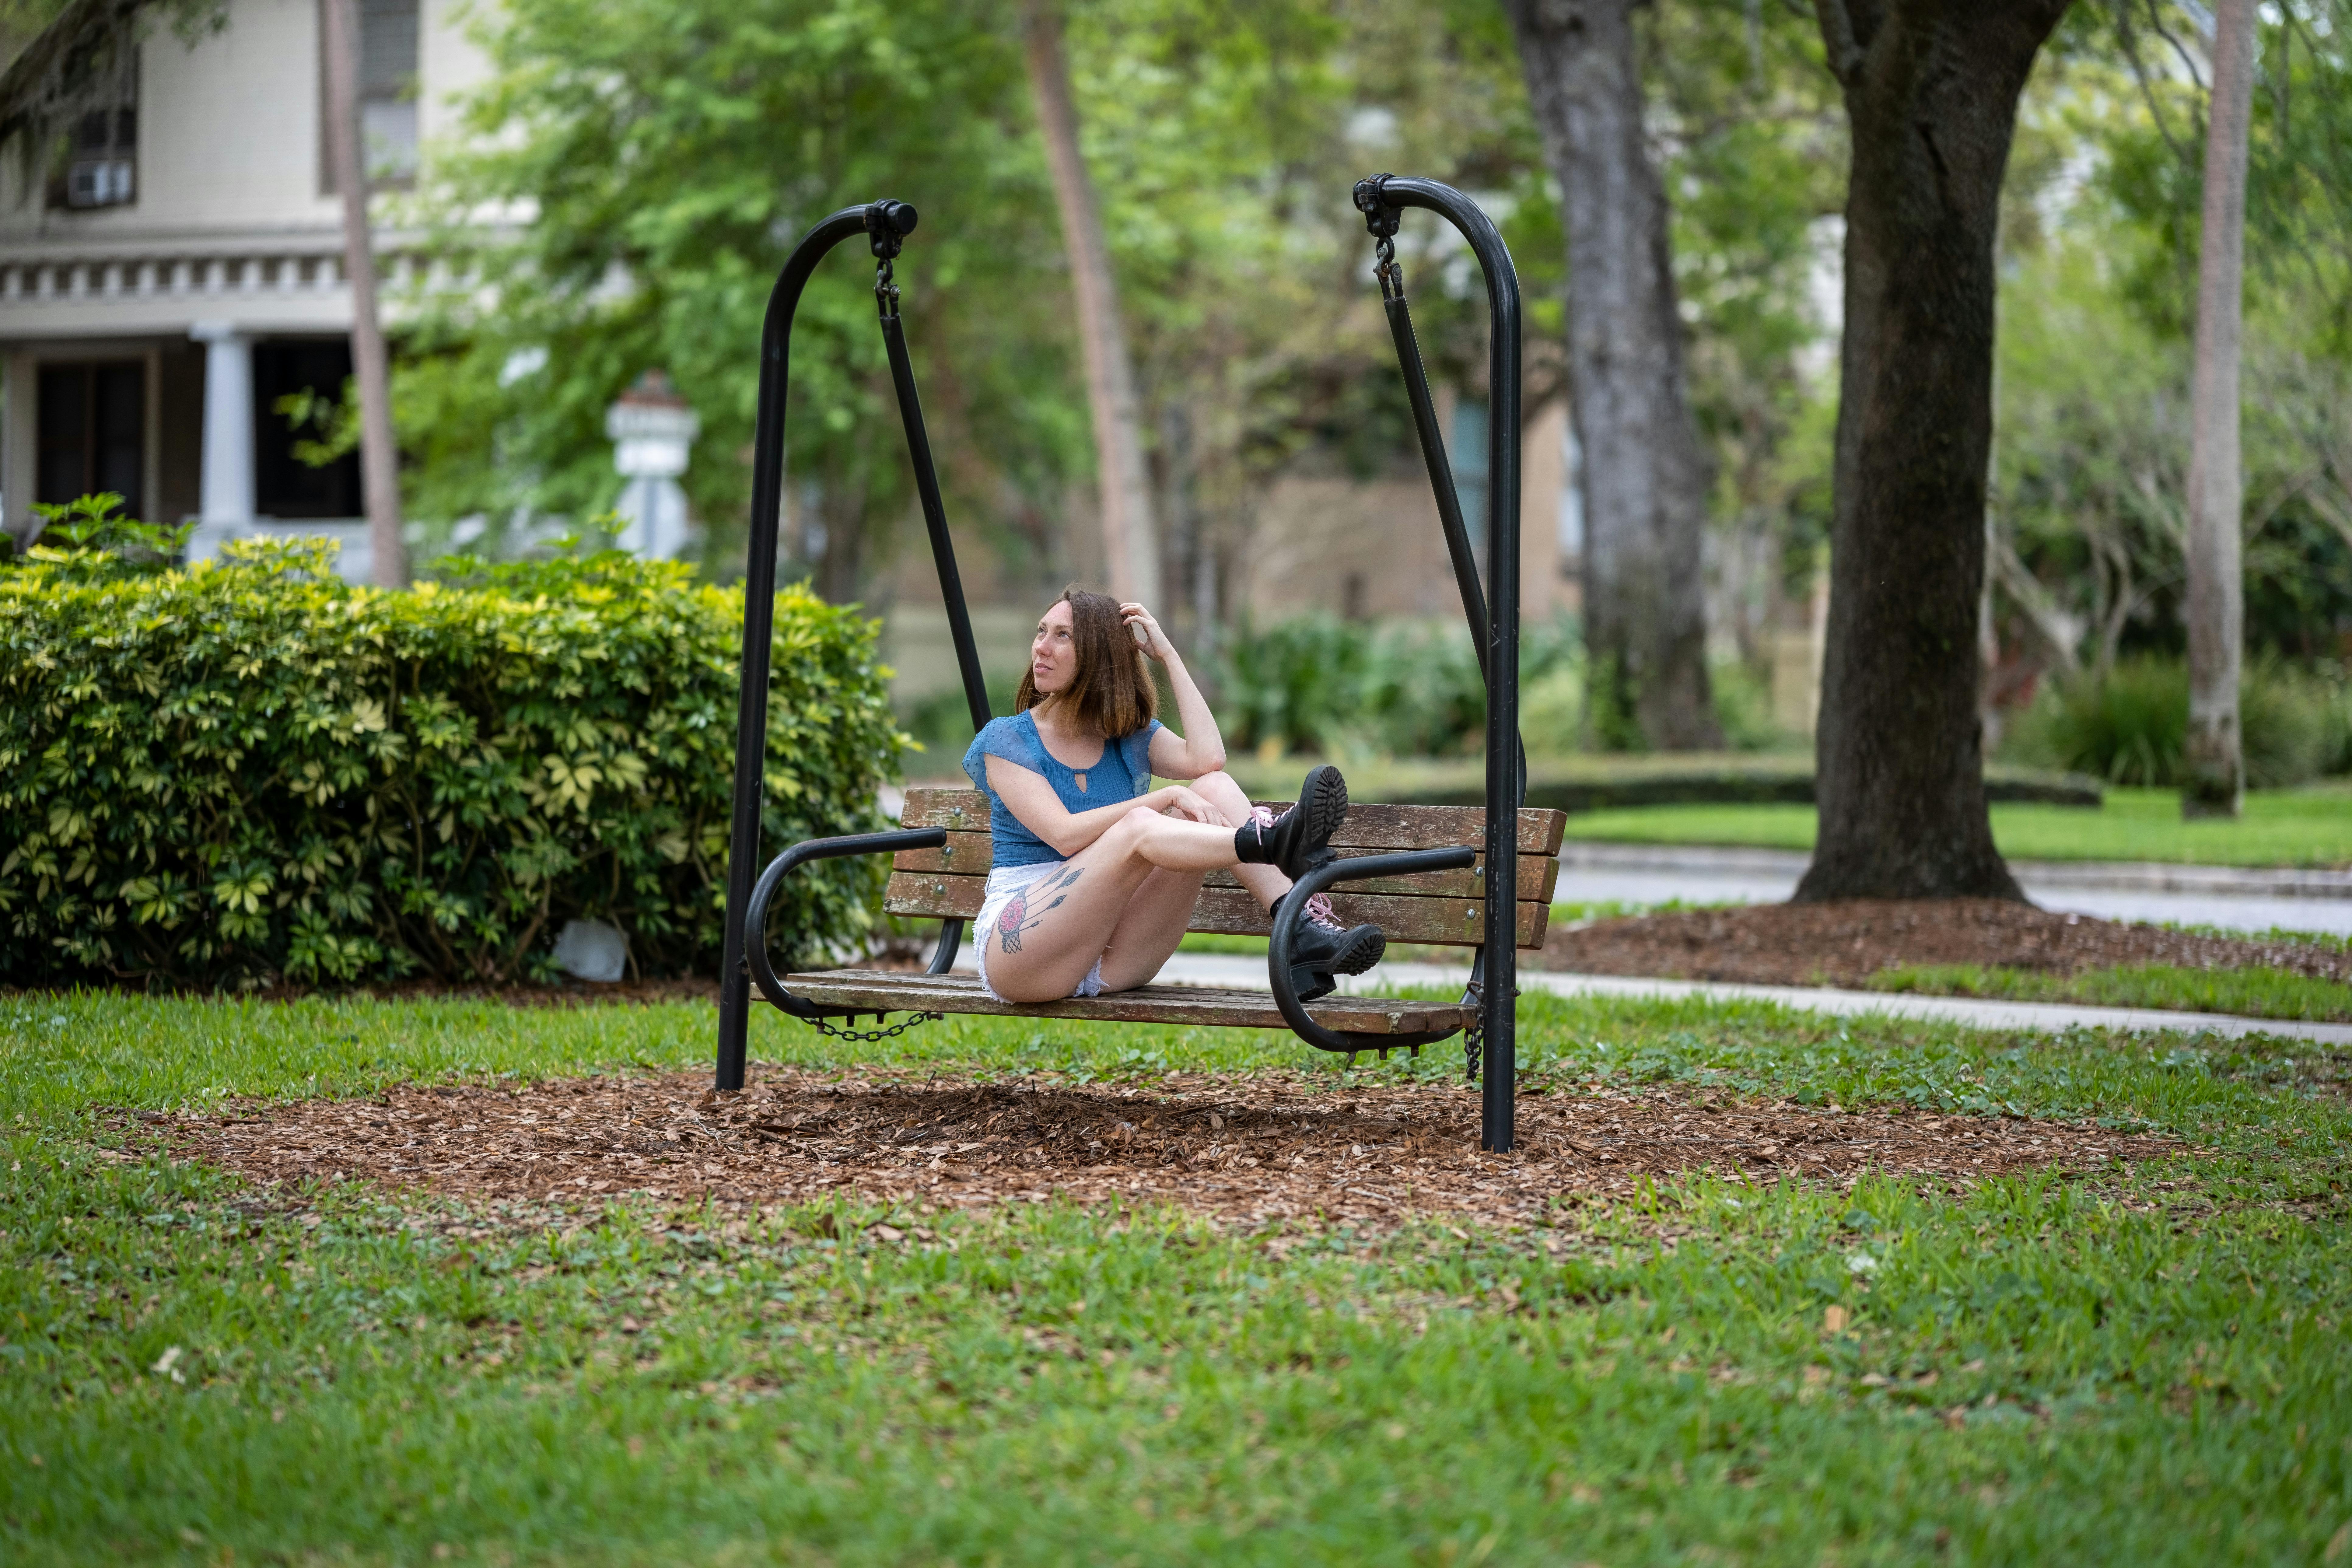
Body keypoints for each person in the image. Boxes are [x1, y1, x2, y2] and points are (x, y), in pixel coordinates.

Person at [961, 585, 1386, 1006]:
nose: (1042, 648)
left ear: (1099, 655)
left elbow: (1209, 758)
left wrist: (1169, 655)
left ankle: (1299, 933)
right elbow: (1065, 835)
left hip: (1113, 956)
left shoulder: (1124, 737)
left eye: (1063, 636)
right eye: (1042, 631)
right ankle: (1272, 842)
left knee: (1214, 788)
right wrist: (1163, 799)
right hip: (1021, 952)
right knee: (1142, 825)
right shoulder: (1008, 740)